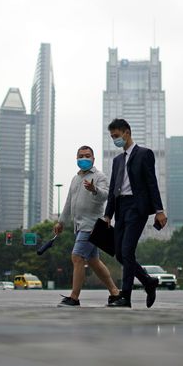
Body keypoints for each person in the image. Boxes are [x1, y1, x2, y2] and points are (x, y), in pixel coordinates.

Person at [103, 118, 167, 308]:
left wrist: (159, 210)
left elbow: (151, 183)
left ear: (126, 133)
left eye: (116, 136)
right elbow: (114, 188)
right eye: (112, 137)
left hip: (136, 207)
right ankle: (148, 282)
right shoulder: (117, 160)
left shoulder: (144, 154)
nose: (115, 140)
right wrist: (108, 214)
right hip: (120, 208)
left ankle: (126, 297)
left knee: (127, 250)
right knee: (120, 255)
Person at [53, 145, 121, 307]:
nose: (84, 158)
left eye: (87, 155)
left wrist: (94, 189)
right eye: (81, 156)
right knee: (93, 261)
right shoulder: (75, 179)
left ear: (93, 159)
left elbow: (105, 196)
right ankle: (115, 293)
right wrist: (61, 222)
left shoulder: (99, 176)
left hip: (91, 226)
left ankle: (74, 297)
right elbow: (69, 202)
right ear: (77, 159)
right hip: (79, 226)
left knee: (77, 257)